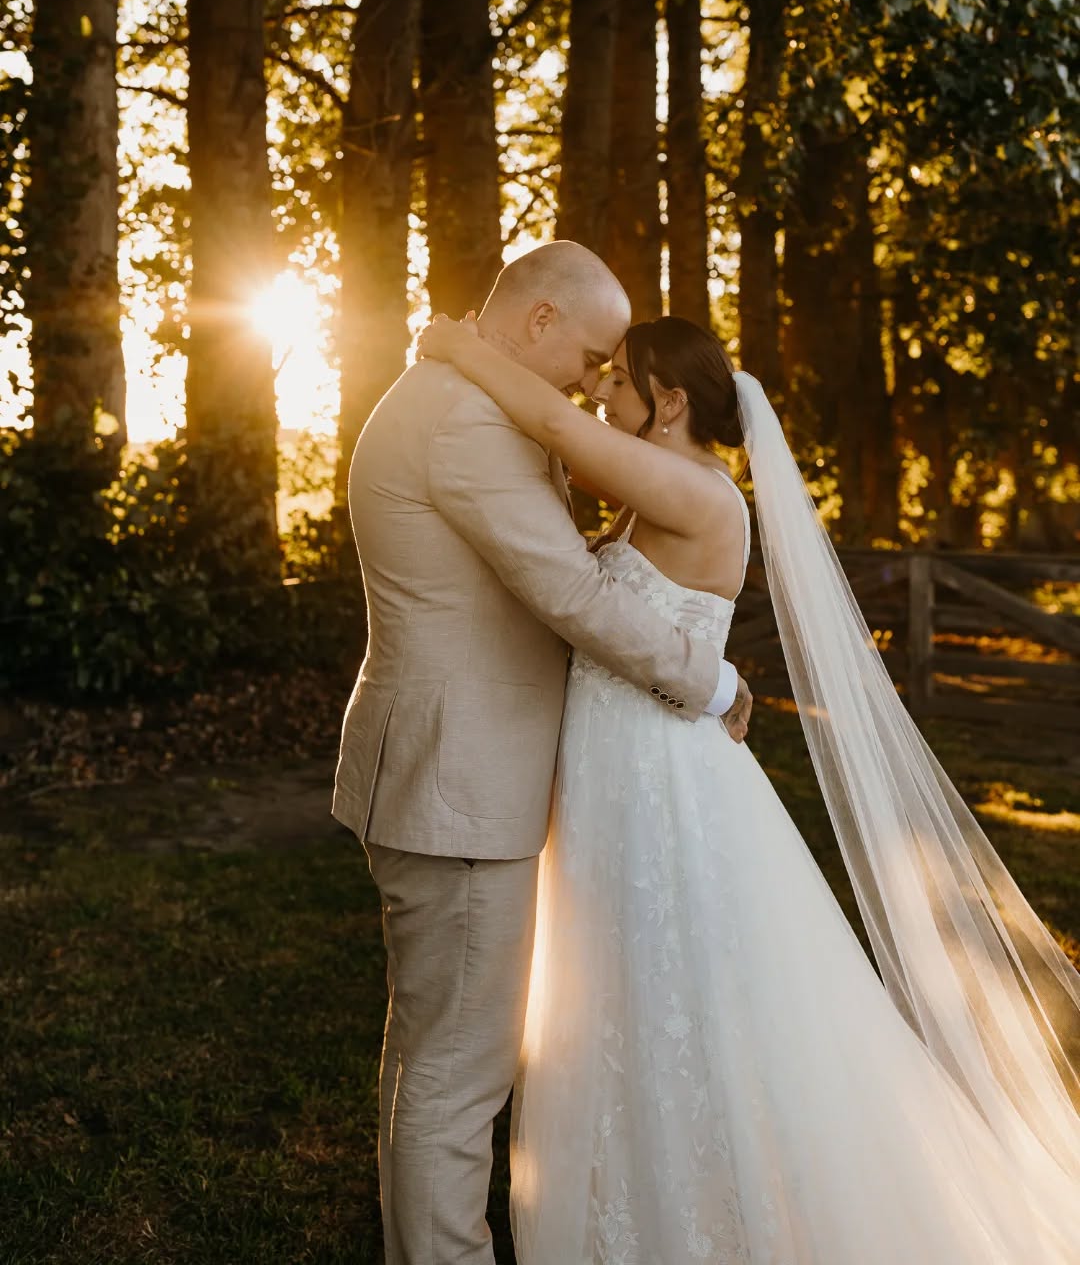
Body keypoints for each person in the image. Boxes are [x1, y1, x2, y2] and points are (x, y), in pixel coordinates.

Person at [417, 308, 1080, 1265]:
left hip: (658, 776)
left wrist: (459, 349)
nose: (596, 391)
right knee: (616, 985)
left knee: (671, 983)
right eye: (598, 376)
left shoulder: (700, 493)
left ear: (671, 401)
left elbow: (558, 431)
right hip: (619, 764)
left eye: (618, 378)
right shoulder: (662, 489)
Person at [332, 242, 752, 1265]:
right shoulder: (465, 419)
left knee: (432, 1057)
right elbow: (568, 591)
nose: (593, 377)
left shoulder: (455, 397)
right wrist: (714, 679)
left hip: (454, 770)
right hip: (458, 779)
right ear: (539, 323)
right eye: (594, 352)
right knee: (458, 1072)